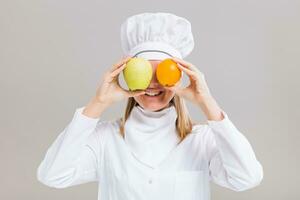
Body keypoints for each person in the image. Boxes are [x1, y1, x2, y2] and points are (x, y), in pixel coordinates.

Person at [37, 12, 263, 200]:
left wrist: (208, 103)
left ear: (178, 78)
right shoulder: (105, 139)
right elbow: (52, 175)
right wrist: (98, 103)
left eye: (161, 73)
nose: (153, 84)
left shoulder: (201, 140)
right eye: (145, 73)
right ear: (128, 75)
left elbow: (247, 177)